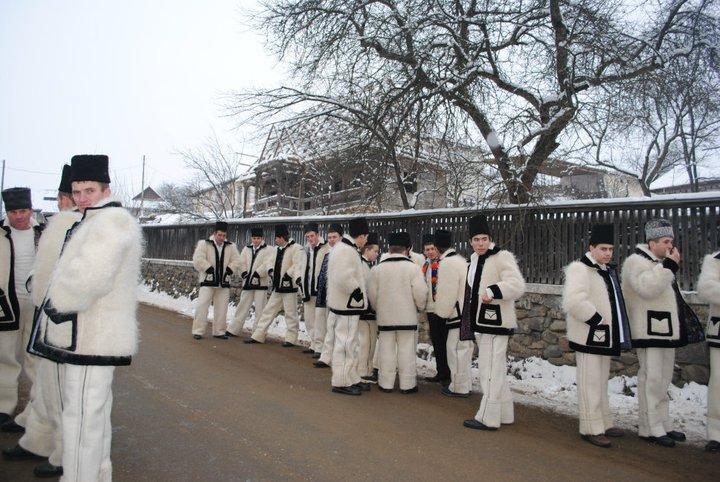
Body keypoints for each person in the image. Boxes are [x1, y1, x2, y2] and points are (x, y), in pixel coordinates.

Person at [29, 154, 143, 481]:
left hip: (91, 336)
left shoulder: (110, 221)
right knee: (93, 416)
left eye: (88, 190)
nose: (81, 198)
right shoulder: (97, 218)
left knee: (80, 419)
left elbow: (89, 276)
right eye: (77, 191)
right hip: (92, 335)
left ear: (105, 189)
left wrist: (54, 304)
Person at [2, 165, 78, 477]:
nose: (20, 216)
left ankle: (62, 451)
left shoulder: (49, 229)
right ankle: (19, 417)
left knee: (45, 373)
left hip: (51, 311)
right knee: (7, 356)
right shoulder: (56, 227)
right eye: (65, 196)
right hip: (11, 301)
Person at [561, 223, 631, 447]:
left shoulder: (606, 270)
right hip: (588, 335)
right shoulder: (580, 269)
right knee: (589, 382)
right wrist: (597, 320)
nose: (608, 253)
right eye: (603, 249)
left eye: (611, 249)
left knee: (601, 381)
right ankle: (590, 427)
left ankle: (604, 421)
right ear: (591, 248)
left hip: (603, 336)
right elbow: (573, 301)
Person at [622, 219, 688, 447]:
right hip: (647, 330)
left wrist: (667, 266)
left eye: (671, 241)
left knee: (664, 379)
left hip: (665, 330)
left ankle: (663, 422)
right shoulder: (636, 262)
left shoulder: (661, 262)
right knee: (651, 378)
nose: (670, 245)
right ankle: (650, 427)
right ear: (652, 243)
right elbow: (647, 288)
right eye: (665, 241)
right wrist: (669, 267)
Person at [461, 215, 525, 431]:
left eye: (484, 238)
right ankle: (504, 413)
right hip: (482, 323)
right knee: (495, 369)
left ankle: (487, 417)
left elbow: (516, 285)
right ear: (470, 241)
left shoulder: (501, 256)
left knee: (489, 370)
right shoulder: (474, 259)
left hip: (497, 324)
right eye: (476, 239)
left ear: (490, 238)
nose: (480, 243)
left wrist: (493, 291)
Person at [0, 187, 44, 434]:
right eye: (14, 211)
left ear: (30, 209)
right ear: (8, 212)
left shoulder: (42, 233)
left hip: (34, 301)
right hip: (6, 301)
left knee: (35, 355)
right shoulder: (1, 233)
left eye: (23, 210)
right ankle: (3, 407)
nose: (19, 216)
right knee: (5, 355)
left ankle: (38, 409)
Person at [368, 231, 427, 393]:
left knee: (386, 350)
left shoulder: (377, 270)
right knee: (406, 351)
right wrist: (419, 307)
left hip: (385, 317)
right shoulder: (413, 269)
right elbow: (421, 294)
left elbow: (372, 295)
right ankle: (407, 384)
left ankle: (385, 383)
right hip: (407, 317)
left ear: (389, 248)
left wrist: (378, 309)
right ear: (407, 249)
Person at [327, 217, 369, 395]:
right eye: (365, 237)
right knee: (345, 343)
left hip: (346, 304)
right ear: (360, 235)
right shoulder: (346, 250)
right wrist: (356, 290)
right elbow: (343, 276)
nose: (366, 241)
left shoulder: (344, 248)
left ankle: (351, 377)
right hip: (347, 304)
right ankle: (341, 382)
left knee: (350, 343)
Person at [247, 224, 305, 346]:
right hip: (277, 287)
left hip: (289, 287)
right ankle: (258, 335)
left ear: (282, 237)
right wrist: (270, 271)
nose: (275, 240)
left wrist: (288, 274)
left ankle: (291, 339)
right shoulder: (275, 250)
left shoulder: (296, 248)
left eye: (277, 238)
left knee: (291, 313)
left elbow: (298, 264)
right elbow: (269, 262)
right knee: (268, 311)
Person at [432, 229, 472, 397]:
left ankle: (458, 387)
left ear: (436, 246)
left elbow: (447, 293)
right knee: (464, 350)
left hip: (456, 314)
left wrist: (441, 313)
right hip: (465, 312)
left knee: (455, 350)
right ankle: (464, 384)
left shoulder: (447, 263)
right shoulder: (460, 260)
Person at [191, 221, 241, 340]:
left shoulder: (231, 246)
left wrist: (230, 269)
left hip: (223, 282)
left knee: (222, 308)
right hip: (207, 281)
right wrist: (208, 268)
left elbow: (237, 260)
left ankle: (219, 331)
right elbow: (197, 259)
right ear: (214, 233)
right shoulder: (204, 244)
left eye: (224, 235)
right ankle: (198, 331)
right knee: (202, 306)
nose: (222, 238)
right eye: (219, 235)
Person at [225, 227, 272, 337]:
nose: (256, 240)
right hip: (247, 282)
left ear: (262, 238)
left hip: (261, 283)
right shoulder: (247, 249)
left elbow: (268, 263)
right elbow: (242, 262)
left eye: (258, 238)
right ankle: (233, 329)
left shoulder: (268, 250)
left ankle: (258, 333)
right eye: (254, 238)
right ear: (251, 238)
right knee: (243, 306)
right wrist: (244, 273)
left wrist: (258, 273)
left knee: (260, 309)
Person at [697, 248, 720, 453]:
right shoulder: (714, 259)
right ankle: (716, 433)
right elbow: (706, 288)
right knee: (719, 382)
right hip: (719, 331)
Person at [421, 234, 450, 385]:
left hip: (442, 308)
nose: (431, 251)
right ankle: (441, 372)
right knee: (436, 342)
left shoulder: (443, 264)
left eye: (433, 248)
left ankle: (448, 374)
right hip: (430, 309)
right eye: (427, 249)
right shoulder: (425, 266)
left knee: (445, 341)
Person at [314, 223, 343, 368]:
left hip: (337, 298)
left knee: (335, 329)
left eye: (334, 237)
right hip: (324, 295)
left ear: (341, 238)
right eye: (330, 237)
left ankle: (332, 357)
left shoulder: (344, 254)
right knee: (326, 327)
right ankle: (325, 356)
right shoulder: (327, 254)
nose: (331, 240)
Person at [300, 223, 329, 354]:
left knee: (320, 321)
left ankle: (320, 346)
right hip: (307, 288)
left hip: (320, 289)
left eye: (312, 236)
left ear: (318, 235)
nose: (310, 239)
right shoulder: (305, 250)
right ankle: (314, 343)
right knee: (309, 319)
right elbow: (301, 267)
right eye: (307, 237)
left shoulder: (326, 248)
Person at [357, 232, 379, 385]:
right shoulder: (362, 265)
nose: (377, 254)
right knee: (366, 342)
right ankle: (363, 371)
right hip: (365, 310)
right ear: (367, 250)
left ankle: (367, 369)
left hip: (370, 310)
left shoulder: (369, 265)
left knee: (370, 341)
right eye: (375, 251)